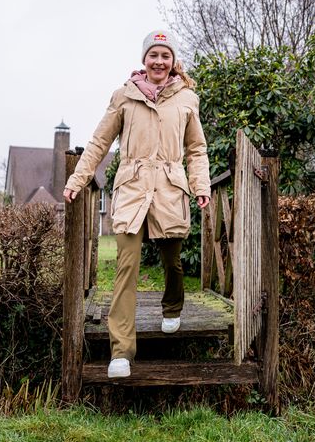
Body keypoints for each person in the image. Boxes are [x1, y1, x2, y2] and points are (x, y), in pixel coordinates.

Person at [63, 29, 211, 378]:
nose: (159, 61)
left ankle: (172, 307)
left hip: (170, 190)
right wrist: (77, 179)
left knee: (172, 263)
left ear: (173, 62)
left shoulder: (187, 99)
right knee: (125, 267)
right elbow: (99, 142)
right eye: (153, 55)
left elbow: (197, 149)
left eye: (165, 55)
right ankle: (121, 352)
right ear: (144, 60)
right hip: (132, 190)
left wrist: (199, 183)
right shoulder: (124, 97)